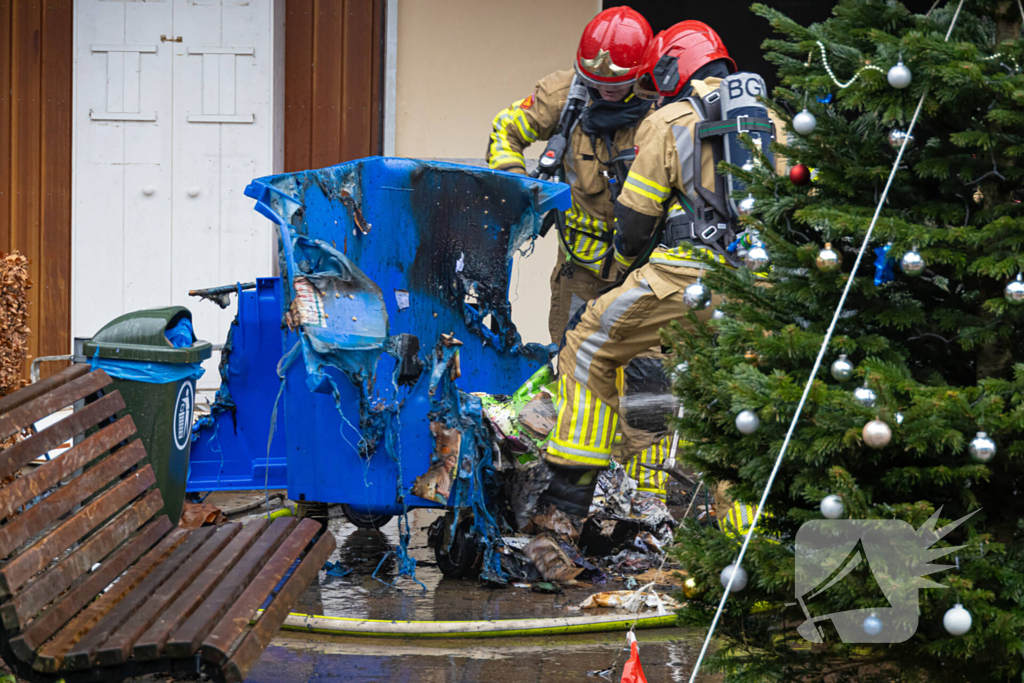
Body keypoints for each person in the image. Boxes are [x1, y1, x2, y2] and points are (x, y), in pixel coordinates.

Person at [544, 21, 786, 509]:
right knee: (741, 407)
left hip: (684, 278)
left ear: (672, 68)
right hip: (764, 292)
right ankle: (745, 549)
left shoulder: (669, 120)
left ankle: (569, 498)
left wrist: (625, 268)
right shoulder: (776, 122)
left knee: (588, 343)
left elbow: (634, 221)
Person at [486, 7, 653, 345]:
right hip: (581, 266)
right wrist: (520, 187)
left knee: (646, 372)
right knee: (571, 356)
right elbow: (506, 129)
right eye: (597, 84)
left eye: (617, 85)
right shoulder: (564, 96)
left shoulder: (663, 108)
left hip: (645, 265)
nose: (606, 92)